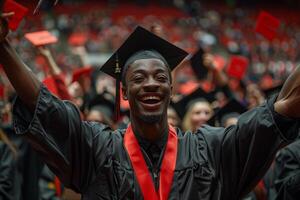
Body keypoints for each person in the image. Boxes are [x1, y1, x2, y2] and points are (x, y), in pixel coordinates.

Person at [1, 13, 300, 200]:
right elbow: (44, 105)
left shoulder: (211, 149)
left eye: (160, 77)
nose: (151, 83)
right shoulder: (97, 149)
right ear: (125, 92)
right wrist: (4, 48)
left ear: (171, 89)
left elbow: (276, 113)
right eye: (139, 78)